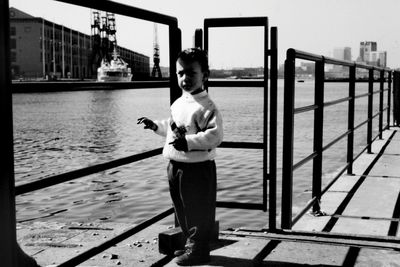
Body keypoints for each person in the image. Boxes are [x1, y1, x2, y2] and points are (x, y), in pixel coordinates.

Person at [137, 48, 223, 265]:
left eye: (191, 73)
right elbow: (173, 127)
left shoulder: (207, 107)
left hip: (197, 168)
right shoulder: (179, 103)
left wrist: (188, 143)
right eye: (180, 73)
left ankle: (198, 250)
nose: (185, 78)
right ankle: (190, 245)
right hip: (175, 165)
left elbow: (215, 136)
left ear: (205, 74)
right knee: (182, 208)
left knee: (197, 209)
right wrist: (156, 126)